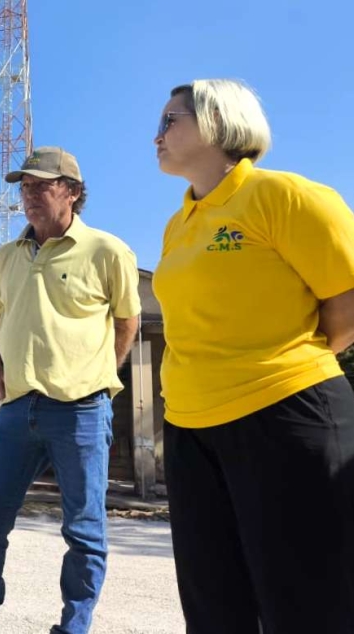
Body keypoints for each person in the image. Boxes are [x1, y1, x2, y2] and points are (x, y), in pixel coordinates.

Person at [152, 79, 354, 634]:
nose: (156, 135)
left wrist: (282, 363)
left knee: (308, 607)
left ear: (217, 122)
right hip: (189, 428)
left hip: (284, 414)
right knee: (214, 607)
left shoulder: (282, 195)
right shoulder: (177, 225)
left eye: (170, 121)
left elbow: (347, 297)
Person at [0, 147, 141, 634]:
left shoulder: (107, 251)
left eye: (41, 185)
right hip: (17, 410)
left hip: (81, 411)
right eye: (25, 187)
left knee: (84, 531)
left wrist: (104, 371)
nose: (29, 195)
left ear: (73, 192)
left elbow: (128, 319)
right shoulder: (6, 257)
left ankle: (73, 628)